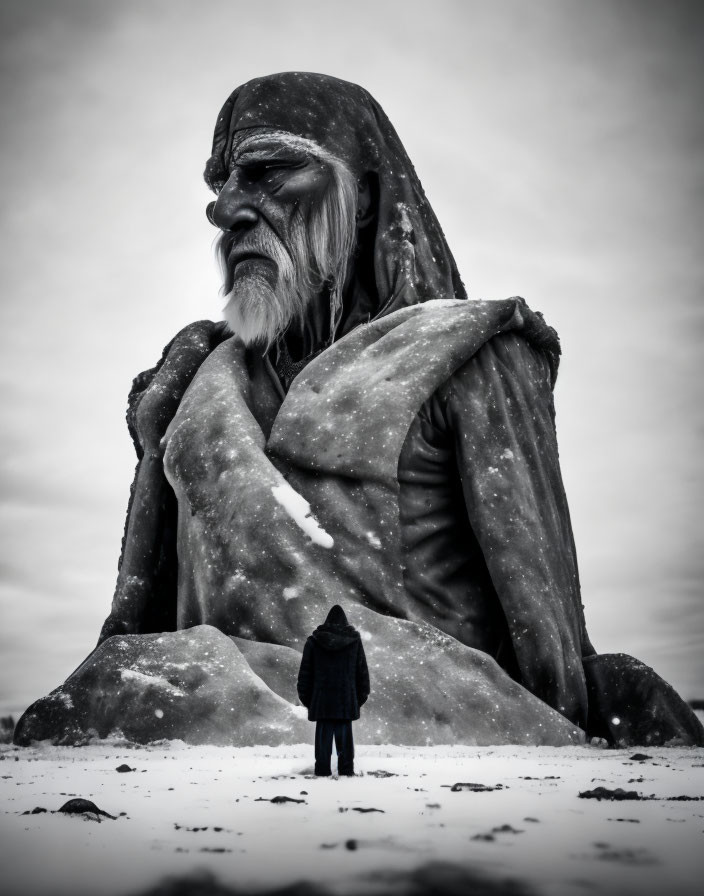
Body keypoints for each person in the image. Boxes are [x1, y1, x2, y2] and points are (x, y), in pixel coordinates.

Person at [94, 72, 702, 747]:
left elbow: (545, 640)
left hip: (429, 746)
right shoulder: (197, 378)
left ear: (364, 198)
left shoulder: (468, 358)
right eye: (221, 183)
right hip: (194, 754)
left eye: (269, 171)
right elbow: (135, 627)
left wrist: (572, 723)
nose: (226, 207)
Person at [297, 605, 370, 776]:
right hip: (346, 700)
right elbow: (362, 674)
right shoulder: (354, 642)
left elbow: (305, 675)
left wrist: (309, 700)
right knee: (345, 739)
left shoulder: (313, 642)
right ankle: (346, 771)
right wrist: (357, 699)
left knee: (323, 739)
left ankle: (322, 770)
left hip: (321, 701)